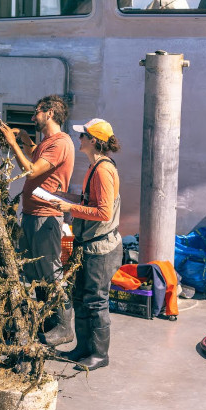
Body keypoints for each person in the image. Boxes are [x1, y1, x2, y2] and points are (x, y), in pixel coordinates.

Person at [0, 95, 75, 347]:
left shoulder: (61, 143)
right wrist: (23, 140)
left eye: (37, 113)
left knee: (51, 272)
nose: (33, 118)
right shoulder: (48, 142)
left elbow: (31, 170)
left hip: (46, 216)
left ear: (50, 113)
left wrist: (11, 141)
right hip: (33, 215)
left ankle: (65, 327)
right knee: (35, 271)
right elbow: (36, 157)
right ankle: (47, 321)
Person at [50, 118, 122, 371]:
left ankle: (100, 355)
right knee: (81, 298)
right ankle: (83, 348)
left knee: (96, 301)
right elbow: (90, 201)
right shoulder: (95, 166)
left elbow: (102, 212)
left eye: (82, 136)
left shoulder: (102, 170)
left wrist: (70, 208)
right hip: (89, 245)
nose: (78, 139)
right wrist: (63, 196)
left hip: (100, 249)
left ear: (93, 141)